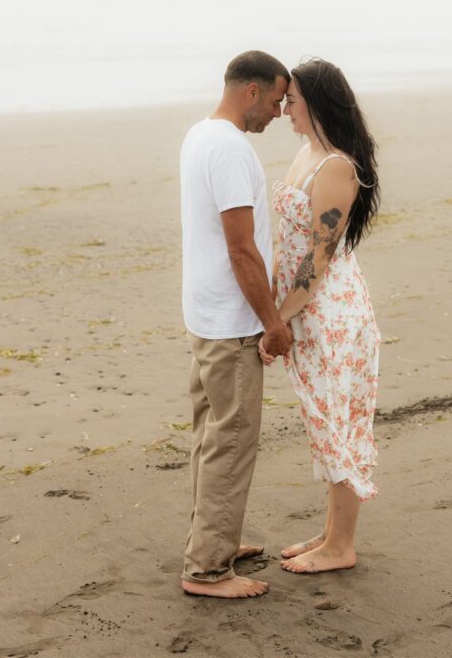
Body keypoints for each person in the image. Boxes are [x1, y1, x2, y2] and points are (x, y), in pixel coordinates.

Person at [179, 50, 293, 599]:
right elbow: (242, 248)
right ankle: (207, 570)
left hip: (204, 315)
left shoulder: (200, 135)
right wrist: (272, 323)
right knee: (232, 441)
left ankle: (214, 539)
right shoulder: (228, 148)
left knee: (210, 437)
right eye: (276, 100)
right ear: (252, 91)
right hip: (229, 323)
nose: (278, 113)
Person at [259, 58, 381, 574]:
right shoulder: (306, 151)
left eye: (292, 101)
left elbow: (319, 256)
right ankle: (332, 532)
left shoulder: (336, 166)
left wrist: (279, 317)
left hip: (330, 312)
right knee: (323, 418)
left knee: (338, 422)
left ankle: (341, 546)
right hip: (307, 307)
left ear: (317, 102)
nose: (284, 109)